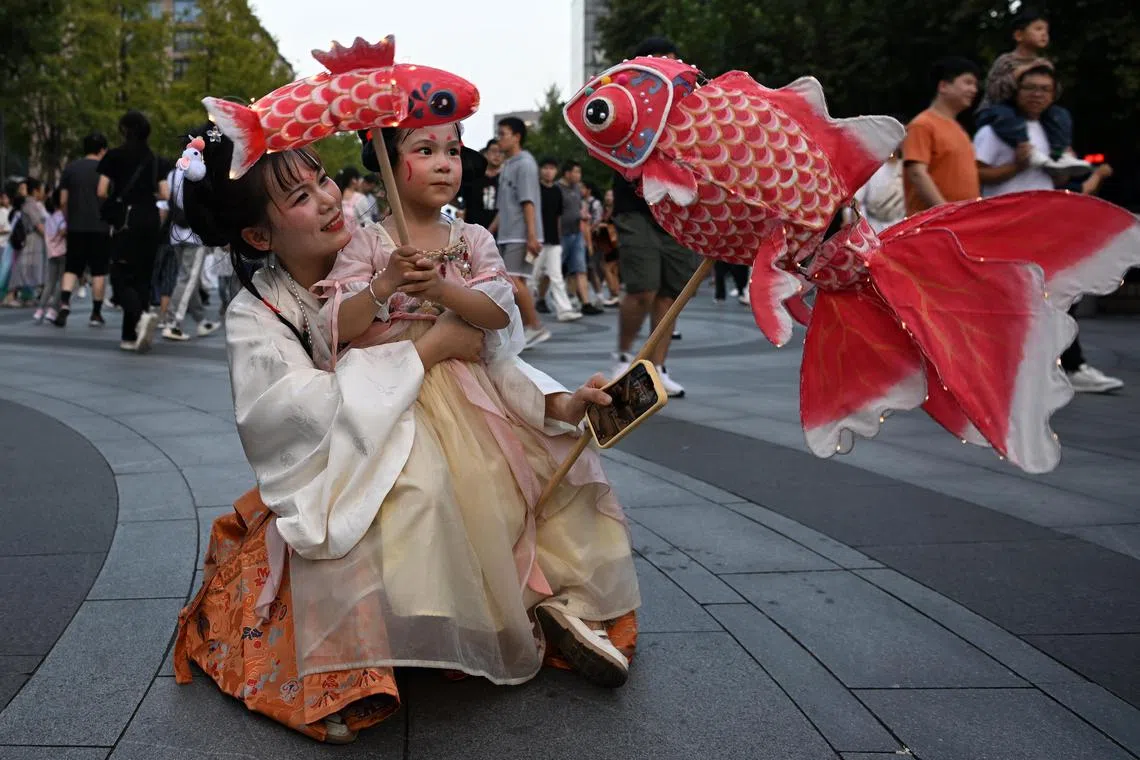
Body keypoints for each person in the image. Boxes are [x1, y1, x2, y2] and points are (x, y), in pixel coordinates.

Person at [173, 126, 641, 744]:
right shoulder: (258, 313)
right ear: (259, 235)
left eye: (323, 180)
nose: (328, 198)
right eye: (300, 197)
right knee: (371, 525)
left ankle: (548, 605)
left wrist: (556, 402)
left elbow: (483, 360)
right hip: (338, 475)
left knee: (529, 481)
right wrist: (423, 352)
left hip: (431, 428)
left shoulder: (386, 248)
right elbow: (296, 417)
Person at [609, 37, 698, 397]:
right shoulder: (624, 96)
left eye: (674, 63)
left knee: (671, 293)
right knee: (643, 287)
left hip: (679, 207)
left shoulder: (691, 104)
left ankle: (656, 367)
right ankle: (624, 356)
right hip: (636, 205)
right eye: (661, 62)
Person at [976, 7, 1089, 178]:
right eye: (1038, 29)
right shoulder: (1006, 61)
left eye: (1046, 31)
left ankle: (1061, 153)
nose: (1044, 34)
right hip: (998, 110)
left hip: (1031, 114)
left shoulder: (1044, 63)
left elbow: (1054, 96)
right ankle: (1026, 148)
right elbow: (994, 91)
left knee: (1060, 113)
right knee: (1005, 114)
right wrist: (1020, 73)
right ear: (1019, 35)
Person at [97, 110, 169, 352]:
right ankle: (130, 336)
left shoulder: (114, 156)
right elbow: (165, 194)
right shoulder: (155, 159)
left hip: (127, 219)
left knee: (119, 275)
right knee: (142, 277)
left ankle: (139, 317)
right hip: (149, 217)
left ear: (124, 130)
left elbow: (101, 190)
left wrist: (116, 202)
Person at [489, 117, 551, 348]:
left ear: (516, 136)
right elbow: (504, 207)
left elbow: (528, 202)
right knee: (516, 280)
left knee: (513, 280)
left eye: (503, 133)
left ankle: (535, 326)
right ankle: (527, 327)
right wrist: (488, 232)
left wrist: (532, 236)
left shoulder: (525, 164)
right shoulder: (509, 165)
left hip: (520, 233)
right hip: (509, 232)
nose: (499, 138)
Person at [902, 57, 983, 216]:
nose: (974, 90)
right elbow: (917, 173)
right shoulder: (922, 124)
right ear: (944, 86)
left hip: (960, 223)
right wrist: (945, 211)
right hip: (932, 224)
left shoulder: (959, 129)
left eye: (975, 85)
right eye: (968, 83)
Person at [161, 129, 221, 342]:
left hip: (176, 233)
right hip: (194, 235)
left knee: (188, 278)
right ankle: (172, 323)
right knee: (187, 278)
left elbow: (170, 202)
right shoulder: (199, 172)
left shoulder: (172, 172)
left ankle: (200, 320)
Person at [56, 132, 111, 327]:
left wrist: (68, 219)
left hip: (76, 227)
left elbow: (62, 200)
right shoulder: (106, 170)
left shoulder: (70, 168)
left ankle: (64, 303)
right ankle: (96, 313)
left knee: (72, 267)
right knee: (98, 271)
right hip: (100, 228)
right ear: (102, 150)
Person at [536, 156, 580, 321]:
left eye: (552, 168)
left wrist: (559, 237)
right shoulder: (535, 189)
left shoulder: (557, 191)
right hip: (537, 240)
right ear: (540, 170)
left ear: (555, 172)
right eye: (545, 168)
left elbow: (558, 217)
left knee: (557, 276)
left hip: (554, 241)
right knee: (531, 279)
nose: (548, 171)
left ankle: (564, 310)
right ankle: (517, 313)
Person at [559, 161, 603, 316]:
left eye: (579, 172)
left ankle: (586, 303)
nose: (579, 176)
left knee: (580, 268)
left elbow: (579, 209)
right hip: (560, 235)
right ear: (567, 173)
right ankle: (541, 298)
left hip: (576, 233)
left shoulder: (577, 189)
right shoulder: (558, 188)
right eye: (576, 172)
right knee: (554, 269)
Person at [7, 177, 47, 308]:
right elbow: (37, 224)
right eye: (41, 190)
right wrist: (49, 236)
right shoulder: (30, 204)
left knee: (29, 268)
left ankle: (26, 295)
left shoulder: (32, 204)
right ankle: (11, 295)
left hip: (34, 240)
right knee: (24, 267)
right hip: (31, 239)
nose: (43, 192)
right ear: (35, 191)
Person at [34, 190, 67, 323]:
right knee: (62, 282)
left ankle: (39, 310)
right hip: (63, 252)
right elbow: (63, 231)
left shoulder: (49, 218)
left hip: (51, 253)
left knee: (50, 283)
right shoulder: (63, 217)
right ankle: (52, 309)